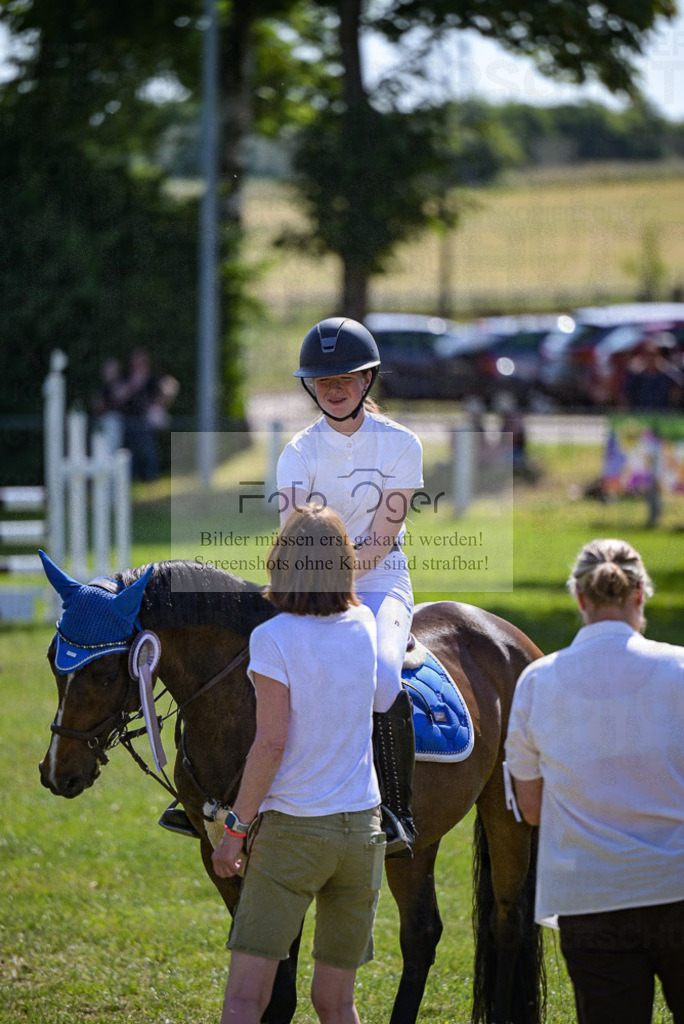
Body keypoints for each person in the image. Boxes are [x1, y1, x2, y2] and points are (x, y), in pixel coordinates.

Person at [211, 503, 386, 1024]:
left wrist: (235, 830)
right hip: (363, 833)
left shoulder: (272, 638)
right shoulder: (365, 623)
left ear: (281, 560)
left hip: (293, 837)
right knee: (337, 1004)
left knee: (245, 999)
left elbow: (270, 744)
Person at [505, 538, 684, 1024]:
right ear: (640, 596)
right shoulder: (680, 669)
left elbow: (533, 808)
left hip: (591, 898)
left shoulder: (539, 682)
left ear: (580, 599)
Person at [276, 316, 424, 856]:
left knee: (384, 677)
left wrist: (334, 581)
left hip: (381, 580)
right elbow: (296, 535)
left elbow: (383, 538)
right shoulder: (296, 452)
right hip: (307, 581)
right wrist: (315, 584)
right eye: (323, 381)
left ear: (367, 380)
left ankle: (394, 811)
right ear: (310, 388)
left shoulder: (402, 445)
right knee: (253, 658)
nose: (334, 390)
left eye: (346, 378)